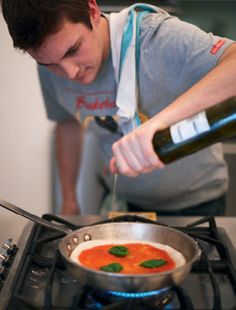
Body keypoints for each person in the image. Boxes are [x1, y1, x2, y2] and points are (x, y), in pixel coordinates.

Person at [1, 0, 236, 216]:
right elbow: (68, 123)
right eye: (50, 64)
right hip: (122, 200)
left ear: (92, 11)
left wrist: (158, 123)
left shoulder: (156, 37)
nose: (70, 73)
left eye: (73, 50)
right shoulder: (49, 67)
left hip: (196, 204)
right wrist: (69, 199)